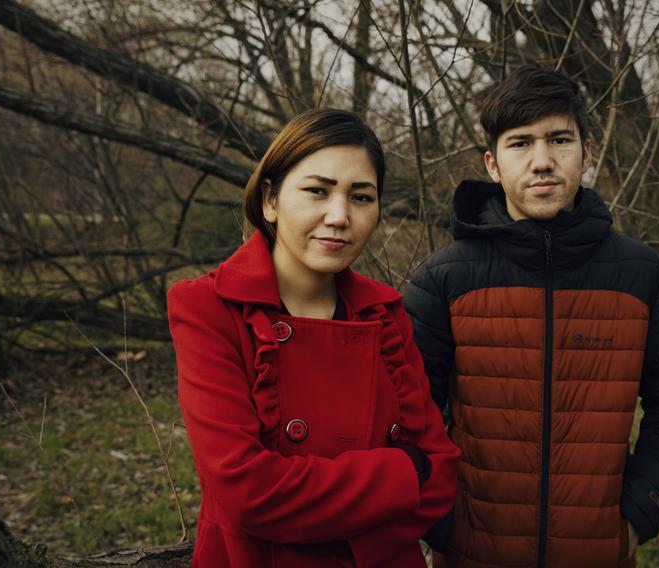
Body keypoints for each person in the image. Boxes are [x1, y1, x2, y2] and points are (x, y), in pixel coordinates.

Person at [403, 66, 659, 567]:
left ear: (586, 154)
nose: (543, 161)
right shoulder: (444, 279)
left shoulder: (642, 276)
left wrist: (641, 511)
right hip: (472, 553)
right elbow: (403, 415)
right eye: (521, 143)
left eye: (559, 140)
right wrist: (439, 519)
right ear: (492, 164)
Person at [168, 108, 460, 567]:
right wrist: (402, 475)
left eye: (361, 197)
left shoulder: (384, 315)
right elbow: (246, 490)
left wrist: (311, 514)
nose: (339, 216)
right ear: (270, 199)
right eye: (317, 191)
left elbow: (439, 475)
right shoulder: (210, 309)